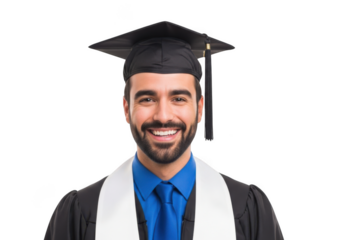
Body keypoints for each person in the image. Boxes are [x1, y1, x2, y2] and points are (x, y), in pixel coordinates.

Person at [44, 20, 284, 240]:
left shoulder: (245, 209)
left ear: (200, 108)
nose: (163, 116)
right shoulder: (82, 213)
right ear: (126, 109)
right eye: (147, 99)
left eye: (178, 98)